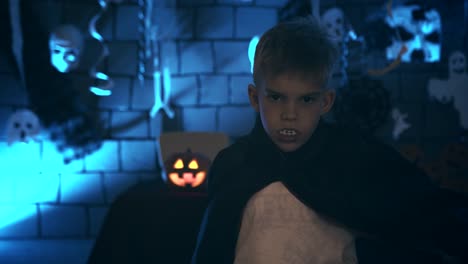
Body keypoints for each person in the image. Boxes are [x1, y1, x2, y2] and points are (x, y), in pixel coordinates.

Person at [191, 17, 468, 264]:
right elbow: (212, 251)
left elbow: (428, 213)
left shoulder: (355, 156)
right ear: (255, 98)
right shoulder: (234, 166)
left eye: (306, 99)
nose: (290, 115)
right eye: (276, 97)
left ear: (325, 101)